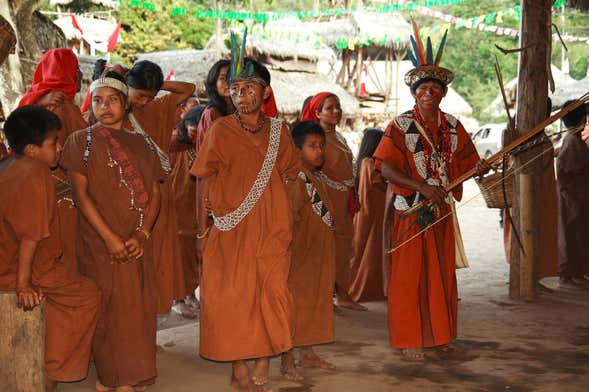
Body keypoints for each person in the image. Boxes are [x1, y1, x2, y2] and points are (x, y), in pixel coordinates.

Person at [373, 26, 489, 360]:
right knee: (410, 275)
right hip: (410, 210)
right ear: (414, 93)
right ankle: (410, 339)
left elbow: (469, 162)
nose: (429, 93)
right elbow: (385, 167)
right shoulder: (400, 125)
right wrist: (421, 186)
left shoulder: (453, 125)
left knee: (440, 273)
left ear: (443, 94)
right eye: (423, 87)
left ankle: (440, 335)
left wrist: (479, 169)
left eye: (435, 88)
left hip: (441, 213)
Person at [191, 42, 299, 390]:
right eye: (236, 90)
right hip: (230, 226)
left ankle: (264, 362)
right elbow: (205, 179)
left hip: (272, 227)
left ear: (265, 92)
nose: (242, 96)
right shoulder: (221, 130)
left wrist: (287, 218)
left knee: (271, 292)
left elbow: (292, 176)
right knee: (234, 297)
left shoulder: (281, 132)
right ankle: (239, 368)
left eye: (250, 88)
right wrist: (203, 227)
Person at [61, 72, 162, 391]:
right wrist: (109, 238)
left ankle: (130, 376)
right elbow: (80, 193)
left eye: (113, 100)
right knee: (107, 310)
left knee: (136, 310)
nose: (104, 107)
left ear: (126, 105)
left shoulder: (143, 143)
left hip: (135, 242)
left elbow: (156, 194)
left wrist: (142, 234)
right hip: (98, 242)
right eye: (98, 101)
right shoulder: (80, 141)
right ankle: (110, 379)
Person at [0, 106, 100, 392]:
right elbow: (31, 237)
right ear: (32, 149)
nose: (59, 147)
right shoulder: (36, 173)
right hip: (15, 269)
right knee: (85, 296)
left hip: (13, 259)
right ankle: (50, 375)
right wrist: (23, 284)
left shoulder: (9, 164)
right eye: (53, 143)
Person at [119, 60, 196, 314]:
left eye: (149, 97)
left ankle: (149, 323)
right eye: (140, 95)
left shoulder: (158, 107)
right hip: (126, 198)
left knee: (156, 258)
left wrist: (155, 84)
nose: (143, 102)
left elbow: (188, 88)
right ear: (127, 85)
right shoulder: (113, 110)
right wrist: (129, 75)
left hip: (157, 195)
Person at [18, 48, 87, 279]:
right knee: (64, 255)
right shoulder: (61, 106)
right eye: (75, 69)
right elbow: (81, 151)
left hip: (36, 191)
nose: (79, 74)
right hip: (62, 195)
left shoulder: (33, 101)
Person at [281, 121, 337, 382]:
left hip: (317, 256)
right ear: (296, 149)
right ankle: (287, 359)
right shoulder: (296, 179)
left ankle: (308, 352)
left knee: (313, 304)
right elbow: (288, 219)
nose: (319, 151)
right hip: (300, 256)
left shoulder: (313, 176)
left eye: (321, 146)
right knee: (294, 307)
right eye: (312, 146)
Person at [300, 92, 366, 311]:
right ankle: (327, 296)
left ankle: (342, 293)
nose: (336, 111)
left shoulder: (339, 137)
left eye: (338, 107)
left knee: (345, 247)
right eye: (329, 108)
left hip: (344, 200)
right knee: (327, 246)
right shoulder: (317, 141)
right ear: (317, 113)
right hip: (327, 198)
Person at [170, 104, 207, 318]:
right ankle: (177, 297)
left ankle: (190, 293)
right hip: (177, 210)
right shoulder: (175, 145)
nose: (195, 133)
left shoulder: (203, 146)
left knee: (194, 256)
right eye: (192, 128)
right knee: (179, 257)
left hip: (196, 211)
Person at [348, 128, 387, 302]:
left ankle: (357, 286)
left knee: (362, 249)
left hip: (367, 210)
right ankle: (362, 287)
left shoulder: (363, 162)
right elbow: (379, 181)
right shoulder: (370, 163)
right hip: (371, 211)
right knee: (368, 250)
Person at [556, 100, 589, 289]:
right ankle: (569, 275)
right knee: (572, 236)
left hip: (578, 197)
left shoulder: (574, 140)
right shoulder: (571, 142)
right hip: (573, 198)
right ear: (583, 119)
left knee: (578, 235)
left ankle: (575, 273)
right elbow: (568, 173)